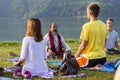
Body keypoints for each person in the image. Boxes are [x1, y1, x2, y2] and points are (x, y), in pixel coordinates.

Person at [74, 3, 108, 68]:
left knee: (74, 62)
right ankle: (98, 65)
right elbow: (104, 44)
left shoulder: (86, 26)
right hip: (103, 59)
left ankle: (94, 67)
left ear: (90, 13)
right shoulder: (104, 26)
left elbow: (83, 46)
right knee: (81, 57)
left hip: (90, 60)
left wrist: (75, 56)